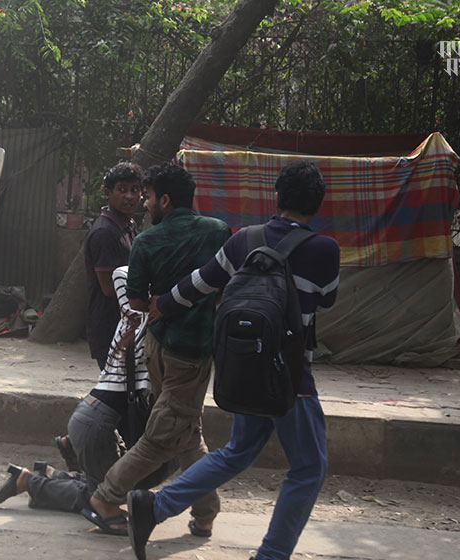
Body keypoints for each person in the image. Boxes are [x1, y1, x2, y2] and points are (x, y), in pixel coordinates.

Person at [127, 161, 341, 560]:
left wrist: (161, 306)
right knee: (309, 468)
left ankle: (153, 506)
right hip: (291, 377)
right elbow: (327, 298)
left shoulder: (245, 240)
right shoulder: (324, 249)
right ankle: (272, 554)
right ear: (317, 205)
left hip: (244, 367)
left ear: (278, 197)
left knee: (238, 452)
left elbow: (199, 283)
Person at [82, 162, 231, 536]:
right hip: (193, 352)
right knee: (165, 434)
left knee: (183, 430)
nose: (143, 203)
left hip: (157, 348)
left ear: (164, 200)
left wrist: (163, 303)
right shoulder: (218, 232)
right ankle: (105, 497)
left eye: (146, 196)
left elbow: (135, 301)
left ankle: (206, 510)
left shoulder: (147, 241)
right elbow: (226, 286)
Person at [0, 266, 174, 526]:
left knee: (125, 480)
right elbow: (121, 274)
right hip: (94, 426)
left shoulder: (133, 327)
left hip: (91, 420)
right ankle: (29, 482)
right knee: (100, 497)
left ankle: (49, 474)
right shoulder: (144, 330)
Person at [56, 162, 143, 471]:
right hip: (110, 328)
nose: (130, 196)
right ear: (107, 194)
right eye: (122, 190)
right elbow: (109, 289)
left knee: (121, 393)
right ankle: (80, 446)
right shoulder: (106, 232)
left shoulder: (128, 225)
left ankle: (77, 444)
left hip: (123, 327)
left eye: (135, 190)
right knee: (116, 395)